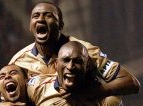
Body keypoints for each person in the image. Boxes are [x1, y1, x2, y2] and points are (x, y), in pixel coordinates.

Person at [9, 1, 140, 99]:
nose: (41, 19)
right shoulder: (19, 62)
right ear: (30, 26)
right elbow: (9, 100)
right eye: (36, 16)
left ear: (61, 24)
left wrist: (96, 91)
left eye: (48, 15)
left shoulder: (85, 51)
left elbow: (130, 82)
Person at [27, 41, 126, 106]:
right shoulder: (36, 87)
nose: (70, 67)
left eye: (77, 61)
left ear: (86, 66)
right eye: (66, 60)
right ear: (56, 64)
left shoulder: (108, 101)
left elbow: (132, 84)